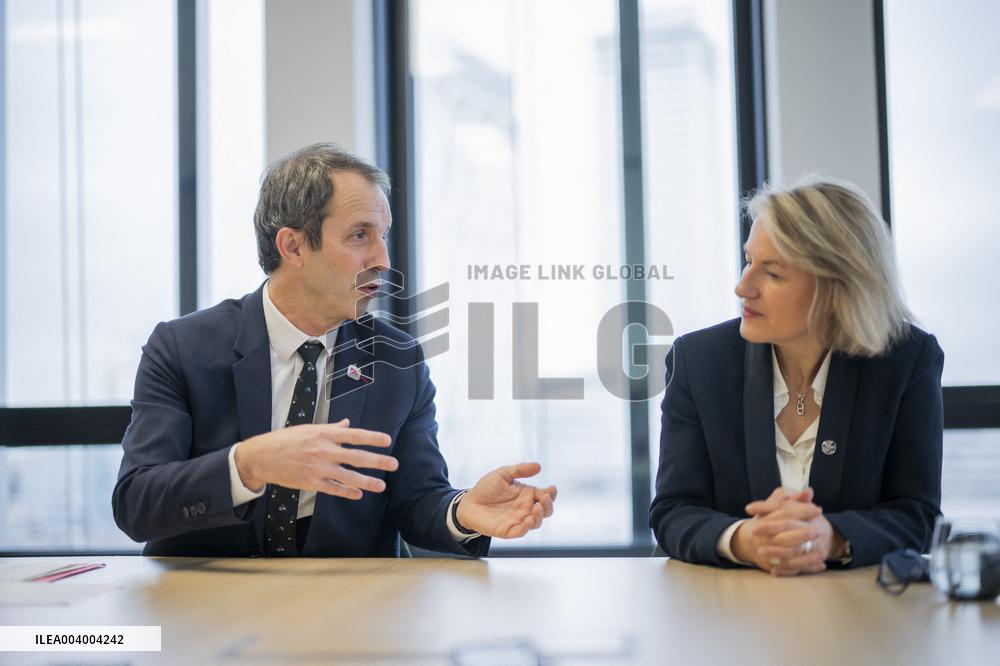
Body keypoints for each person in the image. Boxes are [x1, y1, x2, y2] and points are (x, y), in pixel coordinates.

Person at [113, 143, 557, 557]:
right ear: (293, 246)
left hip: (349, 606)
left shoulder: (397, 359)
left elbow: (415, 499)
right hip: (204, 607)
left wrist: (461, 512)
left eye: (383, 235)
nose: (382, 258)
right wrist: (247, 465)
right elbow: (136, 502)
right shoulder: (181, 348)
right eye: (360, 236)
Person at [649, 177, 943, 574]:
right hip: (729, 612)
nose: (742, 287)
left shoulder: (906, 360)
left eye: (772, 273)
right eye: (749, 260)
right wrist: (742, 539)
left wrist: (832, 537)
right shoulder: (699, 360)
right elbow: (672, 511)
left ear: (838, 287)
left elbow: (917, 515)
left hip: (861, 613)